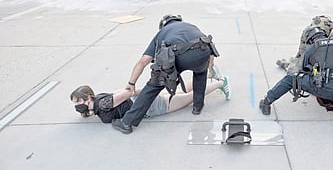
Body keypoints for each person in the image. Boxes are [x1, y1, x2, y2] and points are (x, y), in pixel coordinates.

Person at [111, 14, 220, 134]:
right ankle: (197, 107)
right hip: (202, 50)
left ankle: (127, 122)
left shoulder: (162, 33)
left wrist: (131, 83)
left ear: (163, 25)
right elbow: (209, 44)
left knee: (154, 86)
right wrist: (208, 64)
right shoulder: (190, 26)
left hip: (175, 56)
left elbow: (143, 62)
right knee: (200, 73)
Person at [260, 28, 333, 128]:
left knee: (291, 78)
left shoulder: (313, 47)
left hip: (325, 88)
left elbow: (303, 68)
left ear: (310, 39)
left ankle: (266, 102)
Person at [71, 75, 230, 123]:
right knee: (181, 92)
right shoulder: (98, 103)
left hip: (149, 106)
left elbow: (127, 92)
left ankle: (221, 83)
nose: (76, 106)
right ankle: (209, 75)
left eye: (77, 102)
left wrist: (148, 91)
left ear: (87, 98)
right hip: (145, 102)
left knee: (189, 98)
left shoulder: (103, 103)